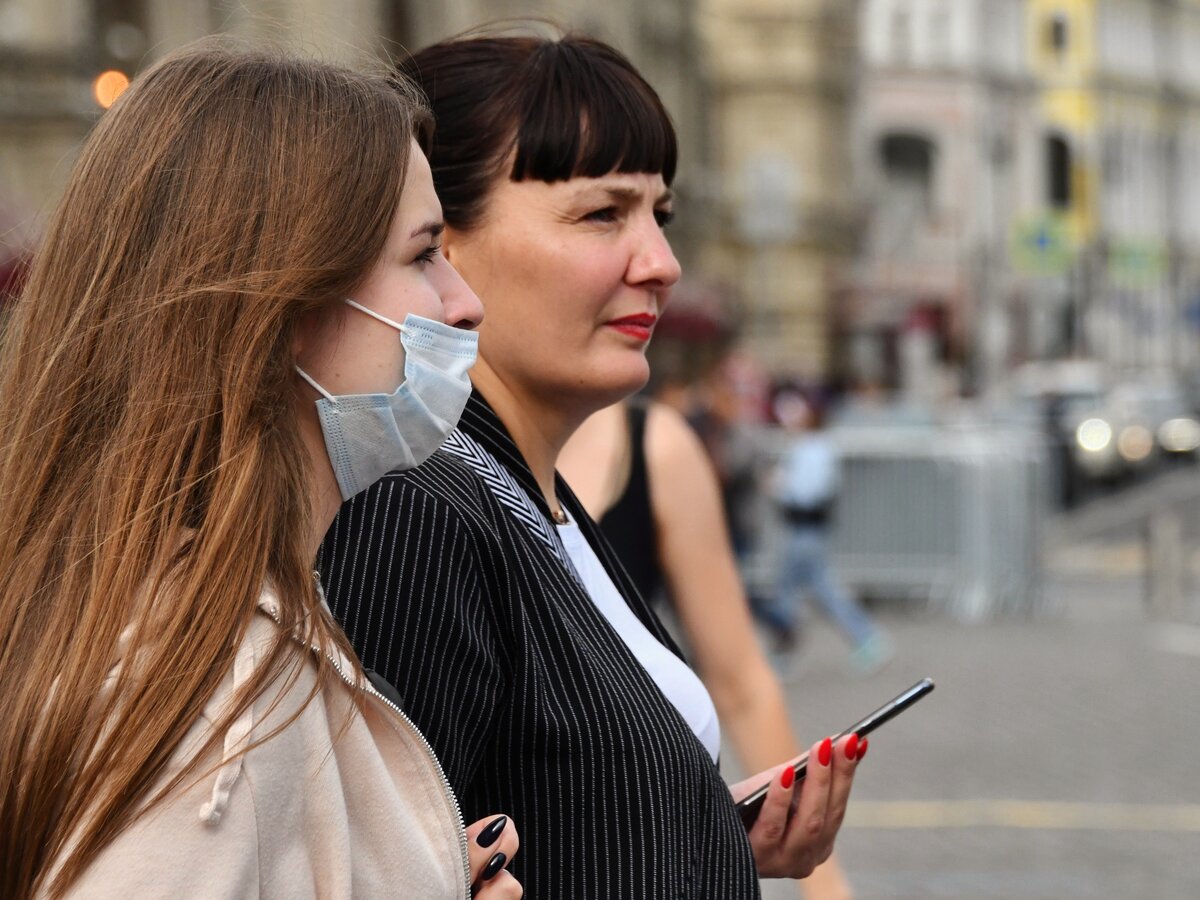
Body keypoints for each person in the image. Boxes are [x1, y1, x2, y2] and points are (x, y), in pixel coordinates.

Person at [319, 31, 862, 899]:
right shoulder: (417, 505)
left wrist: (701, 828)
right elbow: (388, 866)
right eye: (602, 214)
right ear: (439, 243)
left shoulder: (532, 492)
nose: (662, 264)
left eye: (661, 215)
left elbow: (550, 818)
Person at [0, 43, 520, 899]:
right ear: (286, 309)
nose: (464, 303)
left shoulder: (209, 642)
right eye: (424, 253)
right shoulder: (208, 712)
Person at [559, 397, 857, 900]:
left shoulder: (656, 445)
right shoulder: (417, 443)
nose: (653, 311)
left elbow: (740, 680)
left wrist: (825, 885)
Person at [767, 385, 893, 675]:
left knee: (791, 592)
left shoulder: (813, 448)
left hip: (805, 530)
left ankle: (786, 652)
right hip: (805, 530)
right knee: (819, 589)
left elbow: (807, 493)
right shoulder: (810, 446)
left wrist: (779, 487)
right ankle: (865, 639)